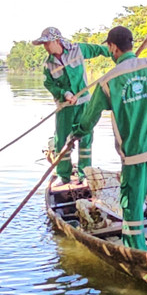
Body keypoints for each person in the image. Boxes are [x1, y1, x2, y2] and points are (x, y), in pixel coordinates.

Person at [69, 11, 147, 253]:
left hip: (134, 157)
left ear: (113, 48)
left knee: (132, 206)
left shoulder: (108, 81)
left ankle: (137, 253)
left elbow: (88, 119)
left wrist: (76, 134)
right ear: (131, 45)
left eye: (109, 48)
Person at [32, 27, 110, 181]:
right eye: (44, 45)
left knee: (86, 138)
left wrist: (120, 56)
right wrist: (64, 94)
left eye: (47, 43)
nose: (46, 47)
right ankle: (64, 176)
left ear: (56, 41)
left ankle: (84, 174)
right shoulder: (49, 64)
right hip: (65, 108)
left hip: (84, 105)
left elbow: (100, 50)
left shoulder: (78, 50)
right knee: (62, 141)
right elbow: (50, 84)